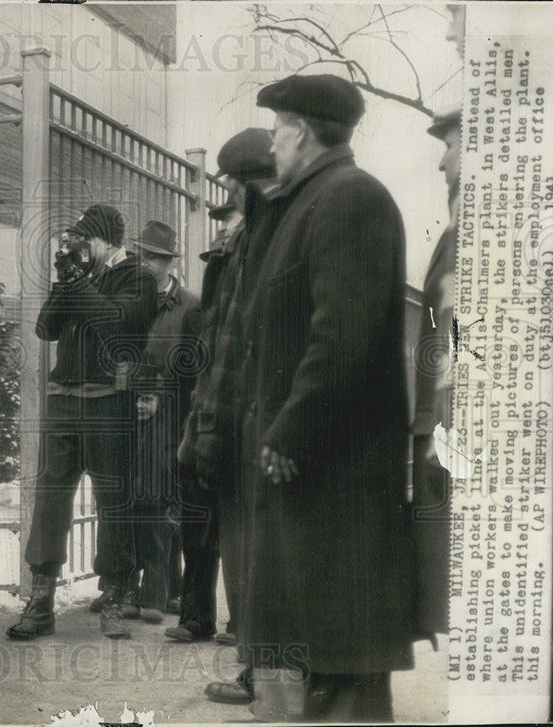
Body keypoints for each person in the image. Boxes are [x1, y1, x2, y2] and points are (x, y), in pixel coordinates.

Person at [224, 75, 416, 722]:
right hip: (302, 486)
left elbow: (344, 337)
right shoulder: (305, 202)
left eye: (277, 129)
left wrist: (288, 432)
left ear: (301, 131)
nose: (272, 144)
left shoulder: (348, 198)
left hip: (334, 493)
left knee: (342, 681)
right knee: (299, 680)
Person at [7, 204, 157, 641]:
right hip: (64, 402)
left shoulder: (138, 277)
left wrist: (80, 281)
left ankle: (113, 597)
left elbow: (115, 324)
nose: (78, 248)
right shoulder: (78, 277)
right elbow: (45, 328)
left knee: (112, 501)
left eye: (85, 240)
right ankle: (41, 601)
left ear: (107, 240)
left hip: (109, 402)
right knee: (51, 498)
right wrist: (66, 279)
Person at [171, 129, 278, 707]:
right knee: (245, 550)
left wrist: (207, 431)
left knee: (248, 552)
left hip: (243, 424)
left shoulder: (249, 250)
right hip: (243, 420)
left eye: (231, 197)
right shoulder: (239, 250)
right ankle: (264, 666)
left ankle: (263, 671)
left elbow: (229, 350)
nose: (222, 218)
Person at [123, 221, 201, 625]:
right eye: (143, 255)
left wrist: (159, 394)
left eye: (155, 257)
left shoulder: (190, 305)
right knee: (137, 496)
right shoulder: (133, 300)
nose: (147, 264)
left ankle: (155, 594)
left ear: (169, 262)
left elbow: (195, 366)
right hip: (133, 409)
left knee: (160, 498)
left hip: (173, 413)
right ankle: (163, 590)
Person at [411, 107, 459, 642]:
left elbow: (460, 327)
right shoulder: (456, 226)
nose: (443, 162)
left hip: (454, 427)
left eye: (451, 146)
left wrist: (442, 425)